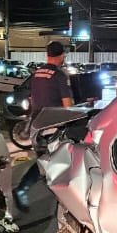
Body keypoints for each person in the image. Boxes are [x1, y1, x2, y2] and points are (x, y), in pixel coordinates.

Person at [12, 40, 75, 211]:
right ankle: (59, 204)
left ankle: (27, 190)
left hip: (37, 124)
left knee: (45, 162)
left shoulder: (37, 73)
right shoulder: (59, 76)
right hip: (52, 125)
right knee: (57, 162)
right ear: (61, 55)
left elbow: (34, 98)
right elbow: (67, 106)